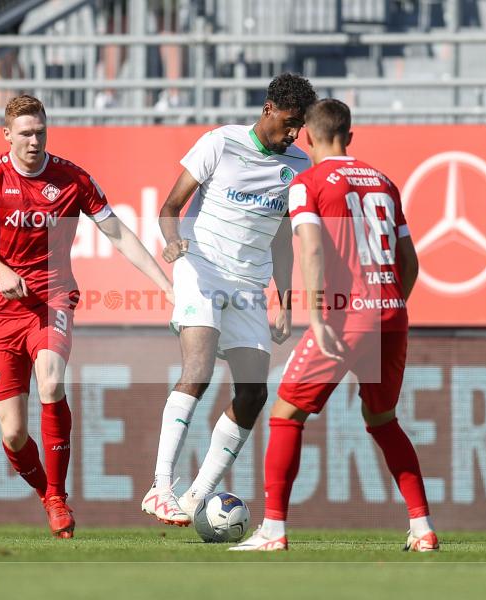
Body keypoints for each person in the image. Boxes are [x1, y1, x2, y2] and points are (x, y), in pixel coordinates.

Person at [230, 99, 439, 552]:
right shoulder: (384, 181)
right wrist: (390, 306)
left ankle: (274, 531)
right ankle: (423, 528)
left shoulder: (307, 183)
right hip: (391, 313)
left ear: (306, 135)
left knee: (286, 414)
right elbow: (410, 262)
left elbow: (311, 249)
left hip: (345, 316)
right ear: (350, 133)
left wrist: (320, 315)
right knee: (382, 419)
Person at [0, 95, 173, 538]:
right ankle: (47, 495)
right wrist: (2, 272)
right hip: (2, 312)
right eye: (25, 133)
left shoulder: (71, 178)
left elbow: (117, 233)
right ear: (7, 135)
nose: (34, 141)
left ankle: (58, 496)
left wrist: (166, 285)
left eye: (40, 132)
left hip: (51, 299)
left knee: (51, 381)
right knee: (13, 434)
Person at [141, 73, 317, 526]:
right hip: (200, 267)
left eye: (301, 126)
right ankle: (160, 487)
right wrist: (171, 240)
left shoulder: (298, 166)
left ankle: (197, 496)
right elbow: (170, 205)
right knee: (197, 369)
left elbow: (282, 239)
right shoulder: (221, 142)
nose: (295, 134)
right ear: (268, 110)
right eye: (290, 123)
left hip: (249, 285)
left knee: (255, 392)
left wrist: (285, 300)